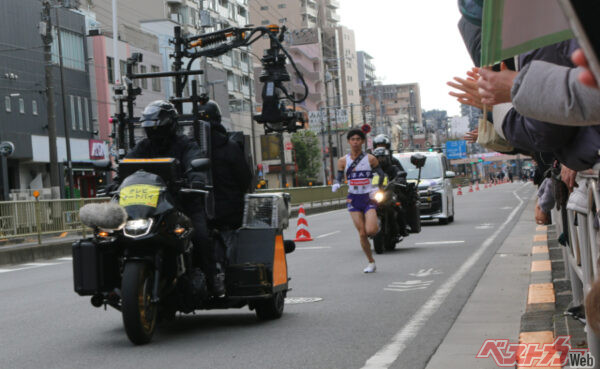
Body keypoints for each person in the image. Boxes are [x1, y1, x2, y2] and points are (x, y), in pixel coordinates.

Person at [125, 100, 225, 296]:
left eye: (157, 127)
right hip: (152, 206)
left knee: (201, 237)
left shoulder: (186, 145)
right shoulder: (143, 147)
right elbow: (127, 166)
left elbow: (195, 161)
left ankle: (213, 278)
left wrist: (196, 180)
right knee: (112, 237)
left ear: (169, 125)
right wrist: (116, 182)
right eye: (149, 128)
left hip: (183, 204)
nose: (153, 132)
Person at [198, 99, 253, 271]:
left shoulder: (191, 147)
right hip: (229, 213)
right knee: (231, 251)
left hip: (199, 214)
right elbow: (245, 179)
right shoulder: (230, 147)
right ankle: (231, 278)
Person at [332, 129, 386, 273]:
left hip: (368, 197)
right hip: (353, 198)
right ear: (349, 141)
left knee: (371, 230)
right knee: (362, 233)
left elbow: (381, 175)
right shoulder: (343, 161)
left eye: (358, 139)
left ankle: (376, 224)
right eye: (352, 139)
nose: (355, 142)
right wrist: (336, 183)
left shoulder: (370, 159)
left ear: (362, 141)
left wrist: (376, 187)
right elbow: (338, 176)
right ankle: (371, 262)